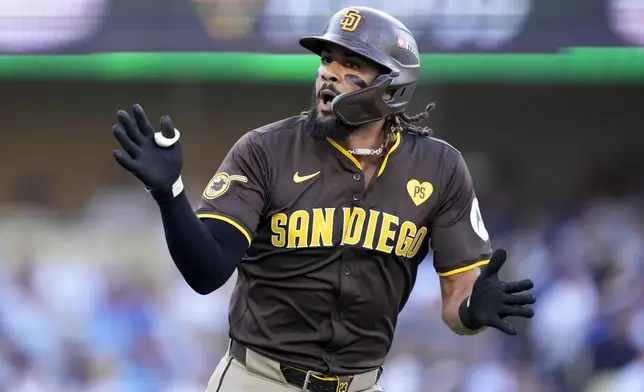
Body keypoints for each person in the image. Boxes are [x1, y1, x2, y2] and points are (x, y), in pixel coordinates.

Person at [110, 6, 536, 392]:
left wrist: (472, 311)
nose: (330, 73)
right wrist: (170, 193)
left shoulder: (439, 167)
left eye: (352, 65)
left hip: (361, 384)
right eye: (326, 60)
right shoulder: (266, 149)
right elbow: (206, 272)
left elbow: (457, 299)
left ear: (392, 88)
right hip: (259, 379)